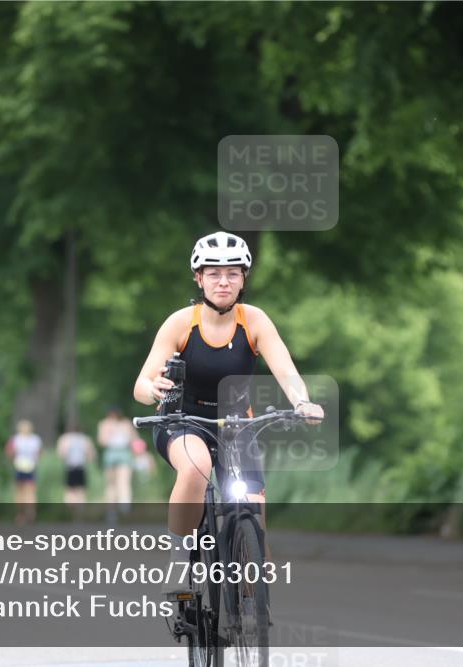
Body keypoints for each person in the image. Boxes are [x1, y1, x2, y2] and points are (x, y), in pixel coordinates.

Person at [133, 231, 324, 596]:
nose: (224, 281)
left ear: (243, 278)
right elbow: (142, 384)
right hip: (183, 422)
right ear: (199, 277)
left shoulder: (253, 320)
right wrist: (152, 389)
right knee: (197, 467)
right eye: (214, 273)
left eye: (232, 273)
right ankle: (180, 556)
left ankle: (251, 609)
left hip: (237, 424)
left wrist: (302, 402)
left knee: (252, 510)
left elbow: (285, 370)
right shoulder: (180, 323)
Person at [97, 406, 136, 519]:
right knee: (111, 484)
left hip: (124, 452)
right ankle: (111, 511)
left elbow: (133, 439)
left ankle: (124, 506)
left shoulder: (126, 423)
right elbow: (102, 441)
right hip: (111, 453)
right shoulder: (104, 424)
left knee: (124, 481)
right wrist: (110, 432)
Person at [6, 419, 42, 524]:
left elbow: (9, 452)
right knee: (31, 492)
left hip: (19, 466)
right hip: (31, 466)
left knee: (19, 493)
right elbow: (39, 453)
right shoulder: (35, 439)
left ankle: (20, 514)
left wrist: (14, 457)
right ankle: (31, 513)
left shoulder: (16, 439)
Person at [57, 421, 96, 508]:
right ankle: (79, 508)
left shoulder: (65, 439)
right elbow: (91, 454)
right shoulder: (84, 439)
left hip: (71, 466)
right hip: (79, 466)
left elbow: (61, 454)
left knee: (70, 490)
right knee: (80, 490)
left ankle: (71, 508)